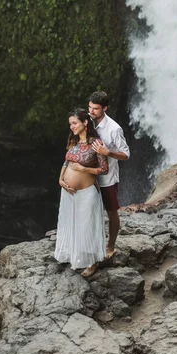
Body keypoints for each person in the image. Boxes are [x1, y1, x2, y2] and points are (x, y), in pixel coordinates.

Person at [54, 108, 108, 277]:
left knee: (88, 226)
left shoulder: (96, 143)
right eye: (70, 124)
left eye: (75, 123)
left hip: (87, 192)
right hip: (69, 193)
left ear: (85, 123)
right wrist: (61, 180)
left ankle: (93, 263)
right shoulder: (73, 141)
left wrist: (84, 169)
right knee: (71, 223)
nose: (72, 126)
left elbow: (104, 169)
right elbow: (66, 162)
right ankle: (75, 256)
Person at [87, 91, 130, 259]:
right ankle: (92, 245)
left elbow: (126, 155)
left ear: (105, 108)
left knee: (111, 211)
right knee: (91, 212)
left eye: (96, 109)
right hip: (89, 177)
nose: (91, 112)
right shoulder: (87, 122)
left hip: (107, 178)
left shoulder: (114, 129)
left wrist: (107, 152)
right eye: (90, 107)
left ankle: (110, 246)